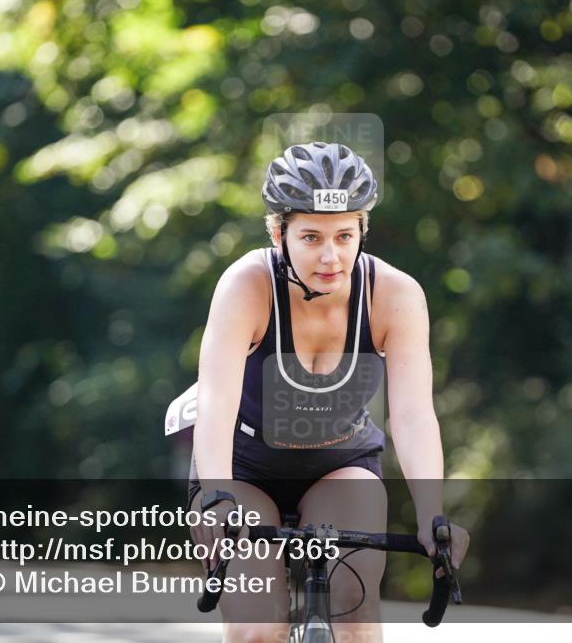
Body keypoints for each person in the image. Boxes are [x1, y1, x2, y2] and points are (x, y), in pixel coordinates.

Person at [187, 142, 469, 643]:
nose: (330, 256)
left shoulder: (395, 295)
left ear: (362, 231)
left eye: (344, 236)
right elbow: (214, 403)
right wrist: (215, 495)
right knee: (257, 631)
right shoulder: (246, 286)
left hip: (341, 464)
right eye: (311, 237)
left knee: (355, 615)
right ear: (279, 234)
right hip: (244, 468)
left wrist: (432, 514)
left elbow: (413, 415)